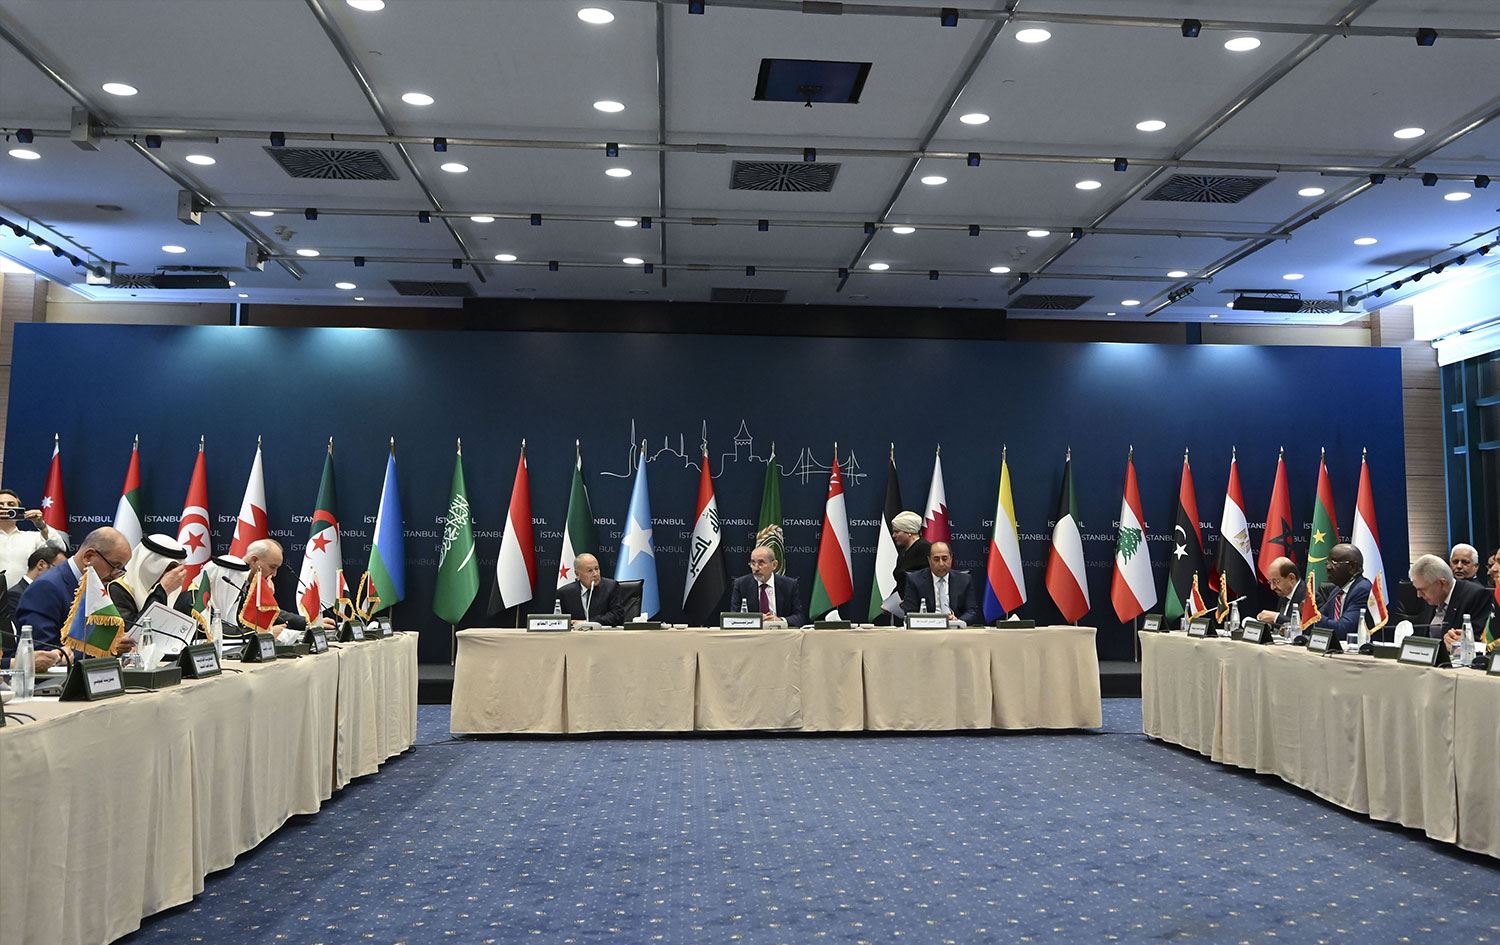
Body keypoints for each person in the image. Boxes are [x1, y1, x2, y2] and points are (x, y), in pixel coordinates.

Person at [12, 527, 136, 660]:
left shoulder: (95, 585)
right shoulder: (46, 587)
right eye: (114, 566)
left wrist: (114, 643)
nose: (115, 575)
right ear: (88, 557)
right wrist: (105, 648)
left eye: (120, 569)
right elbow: (42, 652)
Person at [1399, 553, 1495, 646]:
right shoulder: (1431, 596)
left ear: (1442, 583)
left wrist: (1460, 641)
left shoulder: (1476, 595)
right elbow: (1421, 635)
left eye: (1422, 590)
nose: (1419, 595)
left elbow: (1480, 640)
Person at [108, 534, 195, 631]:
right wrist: (162, 591)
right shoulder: (118, 589)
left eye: (175, 568)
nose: (172, 575)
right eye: (168, 568)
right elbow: (134, 632)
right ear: (148, 564)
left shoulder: (177, 590)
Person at [902, 541, 981, 627]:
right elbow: (910, 612)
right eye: (936, 559)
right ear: (929, 560)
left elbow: (972, 611)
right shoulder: (915, 580)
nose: (941, 564)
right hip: (927, 629)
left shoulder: (964, 580)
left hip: (955, 628)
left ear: (951, 558)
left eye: (945, 559)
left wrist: (958, 621)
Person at [0, 488, 66, 587]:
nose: (6, 508)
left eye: (11, 505)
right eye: (0, 505)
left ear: (19, 510)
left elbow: (59, 550)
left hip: (24, 593)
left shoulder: (33, 538)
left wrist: (42, 526)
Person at [728, 545, 806, 626]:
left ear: (774, 565)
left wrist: (780, 620)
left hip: (779, 632)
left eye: (761, 563)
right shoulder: (741, 584)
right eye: (753, 563)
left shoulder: (789, 585)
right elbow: (733, 618)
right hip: (753, 633)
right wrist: (756, 619)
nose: (756, 568)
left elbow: (799, 617)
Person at [1312, 543, 1372, 638]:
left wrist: (1312, 615)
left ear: (1352, 567)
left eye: (1334, 563)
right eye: (1327, 562)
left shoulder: (1362, 590)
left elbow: (1344, 630)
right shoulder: (1336, 591)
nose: (1328, 567)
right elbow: (1319, 619)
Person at [556, 553, 623, 626]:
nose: (595, 574)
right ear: (577, 574)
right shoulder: (565, 593)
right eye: (590, 571)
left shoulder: (611, 587)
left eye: (596, 569)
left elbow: (617, 616)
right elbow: (560, 621)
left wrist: (587, 622)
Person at [7, 544, 65, 615]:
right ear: (41, 565)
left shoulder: (52, 594)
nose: (62, 576)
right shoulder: (15, 595)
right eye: (59, 570)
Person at [1255, 557, 1305, 628]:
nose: (1272, 587)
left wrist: (1276, 617)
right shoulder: (1283, 593)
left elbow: (1305, 628)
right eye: (1270, 582)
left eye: (1275, 581)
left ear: (1291, 578)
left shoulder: (1309, 597)